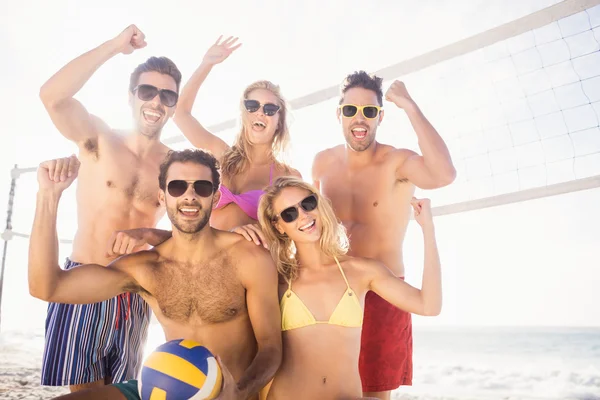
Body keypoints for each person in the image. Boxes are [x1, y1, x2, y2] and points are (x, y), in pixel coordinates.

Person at [28, 150, 282, 400]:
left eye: (202, 188)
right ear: (163, 197)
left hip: (229, 392)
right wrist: (48, 196)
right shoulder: (146, 268)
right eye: (177, 187)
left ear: (215, 199)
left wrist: (239, 393)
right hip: (162, 388)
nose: (190, 196)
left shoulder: (248, 258)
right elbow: (46, 287)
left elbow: (271, 348)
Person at [38, 24, 184, 391]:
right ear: (132, 96)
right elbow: (52, 96)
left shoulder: (174, 168)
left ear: (174, 106)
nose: (156, 102)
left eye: (167, 96)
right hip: (83, 280)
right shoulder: (100, 140)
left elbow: (187, 232)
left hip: (134, 290)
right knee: (86, 394)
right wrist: (114, 46)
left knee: (122, 393)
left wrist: (147, 235)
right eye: (148, 91)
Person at [311, 71, 456, 399]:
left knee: (374, 394)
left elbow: (444, 174)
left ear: (380, 116)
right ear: (339, 114)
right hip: (333, 290)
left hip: (385, 293)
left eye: (369, 111)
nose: (359, 118)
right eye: (350, 110)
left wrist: (409, 106)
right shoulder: (322, 163)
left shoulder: (397, 162)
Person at [255, 176, 441, 400]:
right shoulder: (277, 280)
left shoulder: (361, 271)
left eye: (307, 204)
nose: (303, 215)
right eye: (289, 214)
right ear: (279, 226)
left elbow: (429, 305)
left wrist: (427, 228)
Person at [114, 36, 301, 253]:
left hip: (253, 268)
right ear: (244, 114)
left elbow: (293, 235)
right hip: (206, 263)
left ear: (279, 121)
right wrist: (207, 64)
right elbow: (181, 114)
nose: (260, 112)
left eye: (270, 109)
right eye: (252, 105)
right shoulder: (220, 154)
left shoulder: (288, 176)